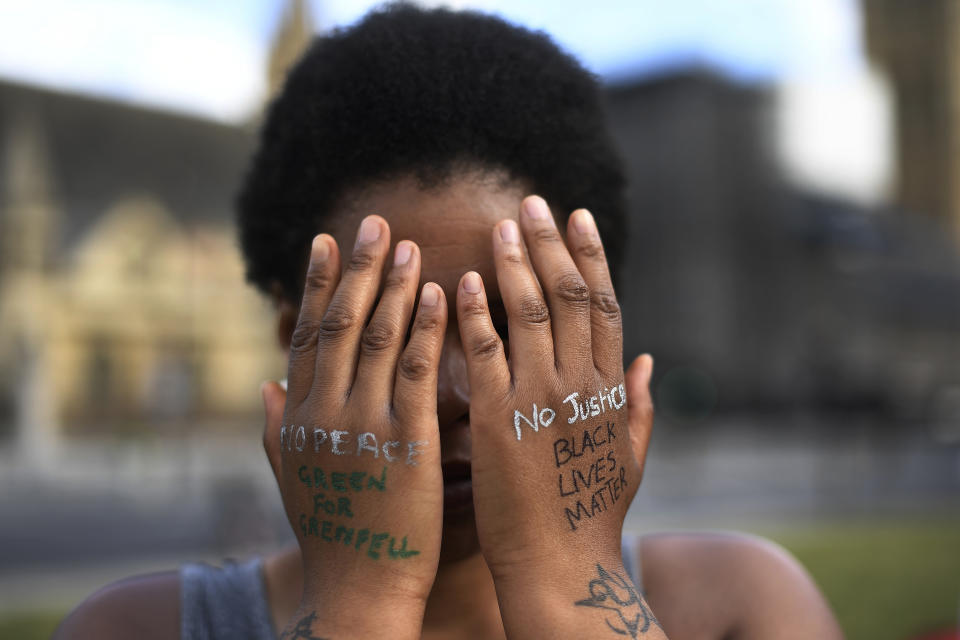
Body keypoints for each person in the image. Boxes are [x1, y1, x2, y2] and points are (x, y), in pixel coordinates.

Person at [54, 4, 843, 639]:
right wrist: (362, 603)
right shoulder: (131, 628)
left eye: (517, 327)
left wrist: (568, 586)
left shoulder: (742, 607)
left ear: (605, 350)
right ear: (296, 354)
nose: (462, 389)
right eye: (393, 332)